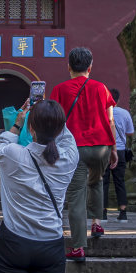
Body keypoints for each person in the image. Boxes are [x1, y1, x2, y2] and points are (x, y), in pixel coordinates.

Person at [0, 99, 79, 273]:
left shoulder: (13, 155)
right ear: (59, 128)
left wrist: (17, 122)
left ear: (31, 128)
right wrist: (52, 115)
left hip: (14, 242)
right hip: (51, 243)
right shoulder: (70, 158)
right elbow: (65, 136)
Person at [50, 47, 118, 261]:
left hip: (74, 148)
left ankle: (79, 247)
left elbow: (53, 121)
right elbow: (111, 121)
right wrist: (114, 148)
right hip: (101, 147)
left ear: (68, 66)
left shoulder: (60, 89)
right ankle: (97, 224)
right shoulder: (102, 88)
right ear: (90, 67)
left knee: (76, 195)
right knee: (96, 182)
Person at [102, 88, 133, 223]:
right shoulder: (125, 113)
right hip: (120, 150)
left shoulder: (101, 112)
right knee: (120, 181)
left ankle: (102, 212)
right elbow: (130, 132)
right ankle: (123, 212)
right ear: (118, 99)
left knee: (103, 182)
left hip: (104, 150)